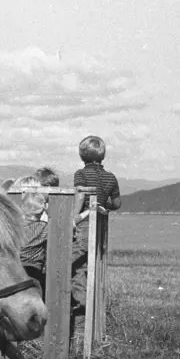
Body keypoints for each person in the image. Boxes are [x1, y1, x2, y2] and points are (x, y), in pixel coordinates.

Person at [70, 137, 121, 346]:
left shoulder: (81, 174)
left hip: (83, 225)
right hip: (99, 228)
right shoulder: (110, 177)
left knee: (75, 270)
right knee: (91, 271)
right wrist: (102, 203)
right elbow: (116, 203)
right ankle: (88, 333)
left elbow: (80, 196)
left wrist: (73, 218)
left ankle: (79, 333)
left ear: (82, 156)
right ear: (103, 155)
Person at [13, 175, 48, 295]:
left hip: (10, 272)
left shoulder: (9, 225)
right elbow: (69, 225)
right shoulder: (43, 227)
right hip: (33, 274)